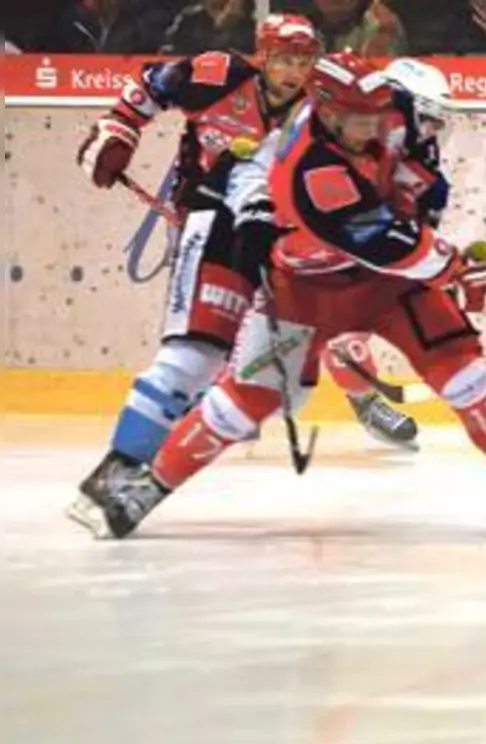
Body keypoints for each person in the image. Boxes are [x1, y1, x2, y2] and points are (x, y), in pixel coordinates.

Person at [70, 53, 486, 540]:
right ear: (329, 114)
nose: (375, 124)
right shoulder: (316, 169)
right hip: (306, 290)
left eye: (381, 111)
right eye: (361, 117)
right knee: (243, 400)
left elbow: (411, 221)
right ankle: (146, 489)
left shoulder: (394, 121)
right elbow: (380, 241)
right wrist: (455, 269)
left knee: (465, 371)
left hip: (385, 285)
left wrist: (459, 267)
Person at [67, 14, 381, 527]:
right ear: (264, 56)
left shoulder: (317, 111)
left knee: (275, 381)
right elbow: (149, 86)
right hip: (207, 224)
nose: (295, 72)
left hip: (274, 240)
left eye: (304, 61)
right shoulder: (217, 75)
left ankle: (183, 426)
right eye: (285, 60)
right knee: (193, 353)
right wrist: (117, 128)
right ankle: (119, 468)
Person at [317, 56, 460, 451]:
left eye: (439, 122)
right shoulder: (341, 142)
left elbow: (415, 224)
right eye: (427, 119)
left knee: (350, 330)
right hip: (314, 237)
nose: (432, 131)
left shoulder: (423, 164)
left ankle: (364, 401)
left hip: (364, 244)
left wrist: (432, 266)